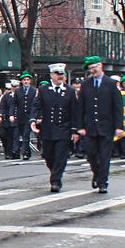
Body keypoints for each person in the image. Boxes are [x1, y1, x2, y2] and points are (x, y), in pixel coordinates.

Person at [77, 56, 124, 194]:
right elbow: (81, 107)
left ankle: (103, 182)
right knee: (91, 154)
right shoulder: (86, 84)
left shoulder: (111, 83)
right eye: (90, 68)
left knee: (104, 156)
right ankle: (97, 173)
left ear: (101, 65)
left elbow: (118, 107)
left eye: (94, 67)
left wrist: (119, 126)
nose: (93, 70)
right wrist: (80, 126)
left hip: (106, 126)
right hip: (90, 127)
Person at [30, 63, 80, 192]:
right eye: (57, 74)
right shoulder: (43, 90)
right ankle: (55, 172)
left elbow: (75, 112)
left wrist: (75, 130)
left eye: (62, 74)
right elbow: (36, 106)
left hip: (63, 129)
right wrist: (33, 120)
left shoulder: (70, 91)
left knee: (60, 156)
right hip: (47, 129)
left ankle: (56, 180)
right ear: (52, 75)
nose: (60, 77)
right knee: (48, 156)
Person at [12, 72, 38, 160]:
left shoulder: (34, 91)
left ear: (30, 81)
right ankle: (20, 152)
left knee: (26, 135)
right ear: (22, 81)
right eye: (24, 80)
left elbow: (36, 104)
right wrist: (12, 114)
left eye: (27, 80)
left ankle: (25, 153)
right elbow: (14, 104)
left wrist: (36, 116)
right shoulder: (18, 91)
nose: (26, 82)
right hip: (20, 116)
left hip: (30, 117)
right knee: (20, 135)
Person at [0, 83, 16, 159]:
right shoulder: (6, 96)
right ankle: (7, 151)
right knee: (3, 135)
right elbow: (2, 106)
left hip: (14, 119)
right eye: (7, 89)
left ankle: (11, 152)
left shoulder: (18, 95)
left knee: (11, 137)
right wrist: (0, 115)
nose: (8, 90)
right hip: (5, 119)